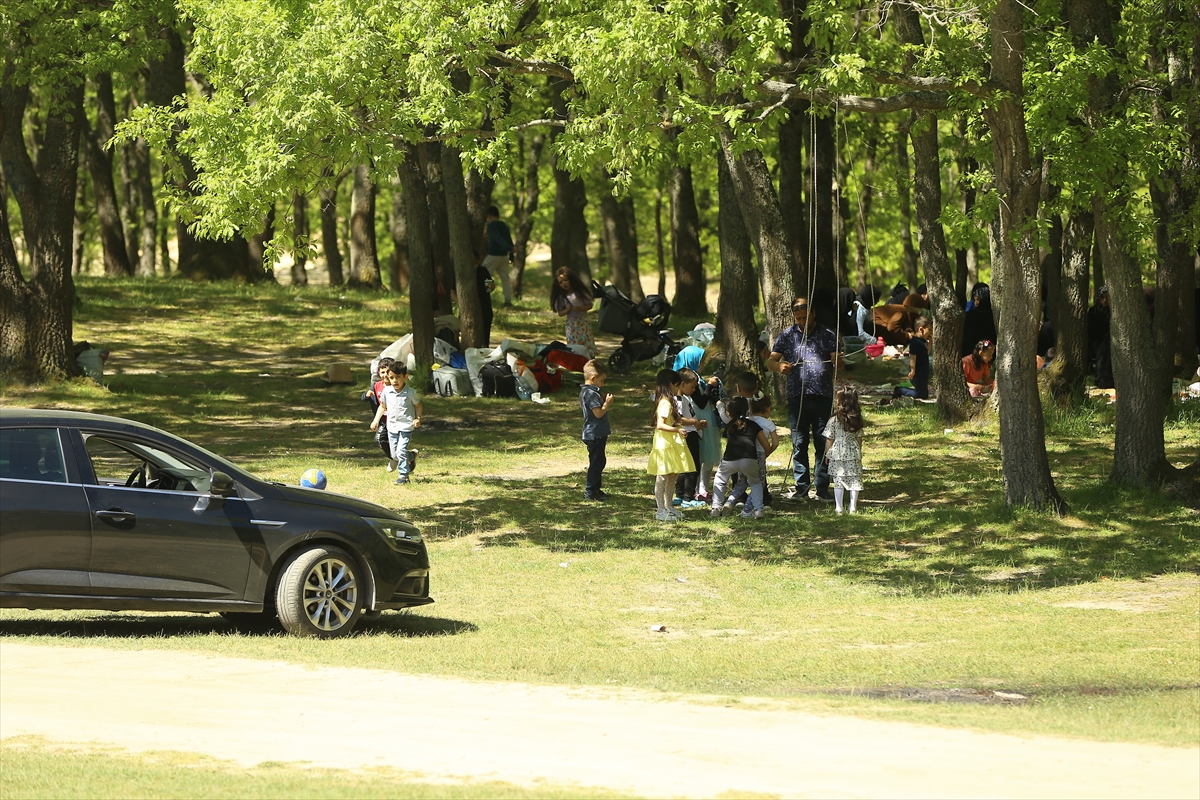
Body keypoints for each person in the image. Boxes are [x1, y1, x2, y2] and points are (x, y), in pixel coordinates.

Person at [768, 297, 842, 502]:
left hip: (822, 395)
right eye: (798, 318)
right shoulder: (787, 335)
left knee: (822, 442)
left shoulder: (828, 334)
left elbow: (839, 364)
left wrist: (839, 361)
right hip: (796, 396)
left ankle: (821, 488)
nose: (801, 321)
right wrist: (778, 366)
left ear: (813, 313)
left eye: (804, 317)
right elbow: (770, 360)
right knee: (799, 443)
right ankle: (801, 488)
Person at [710, 396, 770, 520]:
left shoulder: (729, 425)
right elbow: (765, 445)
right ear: (747, 410)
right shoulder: (753, 425)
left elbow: (728, 442)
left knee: (720, 479)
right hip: (750, 459)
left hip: (729, 459)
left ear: (729, 413)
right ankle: (758, 510)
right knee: (755, 482)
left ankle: (716, 507)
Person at [647, 368, 695, 521]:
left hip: (671, 443)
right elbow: (660, 425)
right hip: (665, 444)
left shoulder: (670, 401)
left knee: (672, 475)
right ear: (670, 385)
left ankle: (669, 506)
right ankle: (660, 510)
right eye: (676, 386)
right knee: (662, 477)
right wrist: (677, 430)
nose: (677, 389)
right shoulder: (665, 403)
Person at [369, 363, 423, 485]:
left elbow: (418, 406)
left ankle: (404, 476)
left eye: (398, 377)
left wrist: (417, 418)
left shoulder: (411, 393)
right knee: (395, 455)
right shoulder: (387, 392)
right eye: (391, 377)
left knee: (400, 451)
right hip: (392, 427)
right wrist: (376, 420)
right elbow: (382, 407)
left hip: (406, 426)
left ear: (406, 377)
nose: (395, 380)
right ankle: (411, 455)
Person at [822, 385, 864, 515]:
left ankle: (839, 507)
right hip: (852, 452)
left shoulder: (833, 420)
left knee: (838, 480)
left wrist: (827, 454)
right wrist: (858, 451)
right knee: (854, 479)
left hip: (837, 453)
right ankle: (853, 506)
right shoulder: (856, 419)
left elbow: (829, 439)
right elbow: (859, 438)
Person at [673, 369, 709, 508]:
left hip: (690, 432)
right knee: (693, 467)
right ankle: (688, 498)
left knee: (685, 467)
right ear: (682, 384)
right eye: (692, 387)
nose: (694, 390)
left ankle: (680, 495)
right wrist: (694, 423)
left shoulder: (685, 398)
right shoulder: (679, 400)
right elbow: (678, 419)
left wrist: (698, 422)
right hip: (688, 435)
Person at [579, 359, 614, 502]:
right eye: (602, 380)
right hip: (595, 433)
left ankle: (596, 489)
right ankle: (590, 491)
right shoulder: (591, 393)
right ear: (593, 378)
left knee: (599, 461)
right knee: (596, 463)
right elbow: (598, 413)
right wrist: (606, 404)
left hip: (595, 432)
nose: (602, 383)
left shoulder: (586, 391)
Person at [550, 266, 597, 358]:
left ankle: (590, 358)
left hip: (583, 321)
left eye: (566, 280)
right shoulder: (561, 297)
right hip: (571, 323)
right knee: (574, 342)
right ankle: (577, 359)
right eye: (561, 282)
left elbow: (590, 305)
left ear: (571, 279)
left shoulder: (580, 293)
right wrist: (567, 310)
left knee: (586, 339)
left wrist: (581, 309)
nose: (564, 283)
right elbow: (560, 313)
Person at [893, 316, 932, 400]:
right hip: (918, 372)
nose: (931, 332)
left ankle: (905, 391)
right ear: (921, 329)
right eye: (929, 329)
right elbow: (913, 358)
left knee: (924, 393)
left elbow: (926, 353)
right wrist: (913, 370)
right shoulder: (915, 342)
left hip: (924, 371)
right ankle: (899, 390)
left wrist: (929, 344)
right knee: (921, 394)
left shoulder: (922, 341)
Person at [483, 206, 515, 307]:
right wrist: (511, 255)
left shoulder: (491, 225)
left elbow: (498, 238)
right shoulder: (504, 225)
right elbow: (509, 239)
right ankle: (508, 300)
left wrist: (508, 247)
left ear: (488, 216)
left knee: (484, 273)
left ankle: (486, 294)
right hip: (504, 256)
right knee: (505, 278)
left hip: (494, 254)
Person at [371, 357, 397, 470]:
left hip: (397, 420)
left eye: (388, 372)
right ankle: (395, 458)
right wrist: (376, 420)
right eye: (382, 372)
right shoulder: (377, 386)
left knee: (397, 445)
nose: (385, 375)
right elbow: (382, 405)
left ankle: (404, 470)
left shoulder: (397, 386)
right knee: (380, 439)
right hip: (384, 421)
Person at [1087, 286, 1113, 389]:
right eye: (1102, 297)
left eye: (1107, 298)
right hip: (1095, 342)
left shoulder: (1112, 312)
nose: (1105, 300)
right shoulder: (1093, 312)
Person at [476, 261, 496, 345]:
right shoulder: (462, 271)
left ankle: (485, 347)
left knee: (485, 330)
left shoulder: (483, 271)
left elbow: (490, 287)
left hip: (484, 305)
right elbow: (452, 292)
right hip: (473, 307)